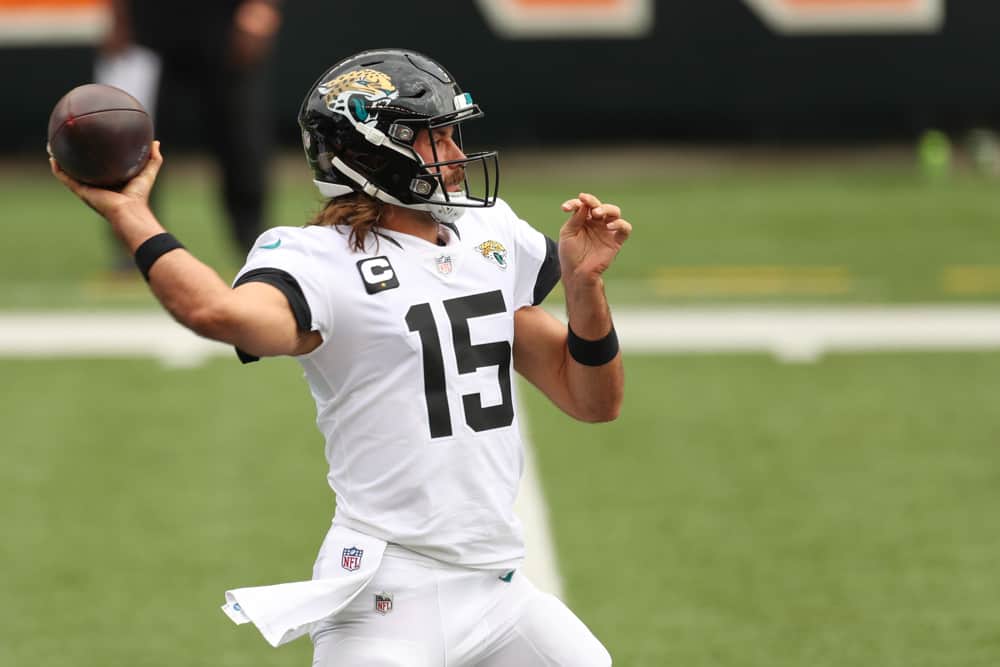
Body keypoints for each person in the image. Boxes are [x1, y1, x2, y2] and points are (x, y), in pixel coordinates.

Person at [51, 48, 631, 666]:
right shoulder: (315, 259)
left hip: (499, 588)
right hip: (387, 592)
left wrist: (584, 289)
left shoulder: (488, 236)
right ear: (370, 152)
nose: (458, 155)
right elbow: (217, 314)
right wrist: (130, 213)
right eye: (435, 139)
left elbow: (592, 400)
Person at [98, 0, 282, 258]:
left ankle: (255, 242)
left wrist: (260, 8)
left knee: (241, 144)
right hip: (152, 36)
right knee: (137, 146)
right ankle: (134, 241)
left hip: (225, 31)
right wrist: (119, 19)